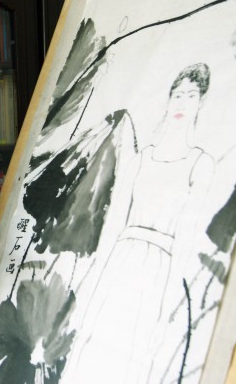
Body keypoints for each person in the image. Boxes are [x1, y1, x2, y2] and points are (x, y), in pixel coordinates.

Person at [67, 63, 215, 382]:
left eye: (191, 95)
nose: (182, 102)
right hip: (122, 263)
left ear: (201, 102)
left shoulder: (201, 163)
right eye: (177, 94)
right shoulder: (142, 158)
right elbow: (113, 224)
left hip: (161, 270)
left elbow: (188, 237)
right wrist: (94, 281)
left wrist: (172, 300)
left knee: (140, 354)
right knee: (100, 349)